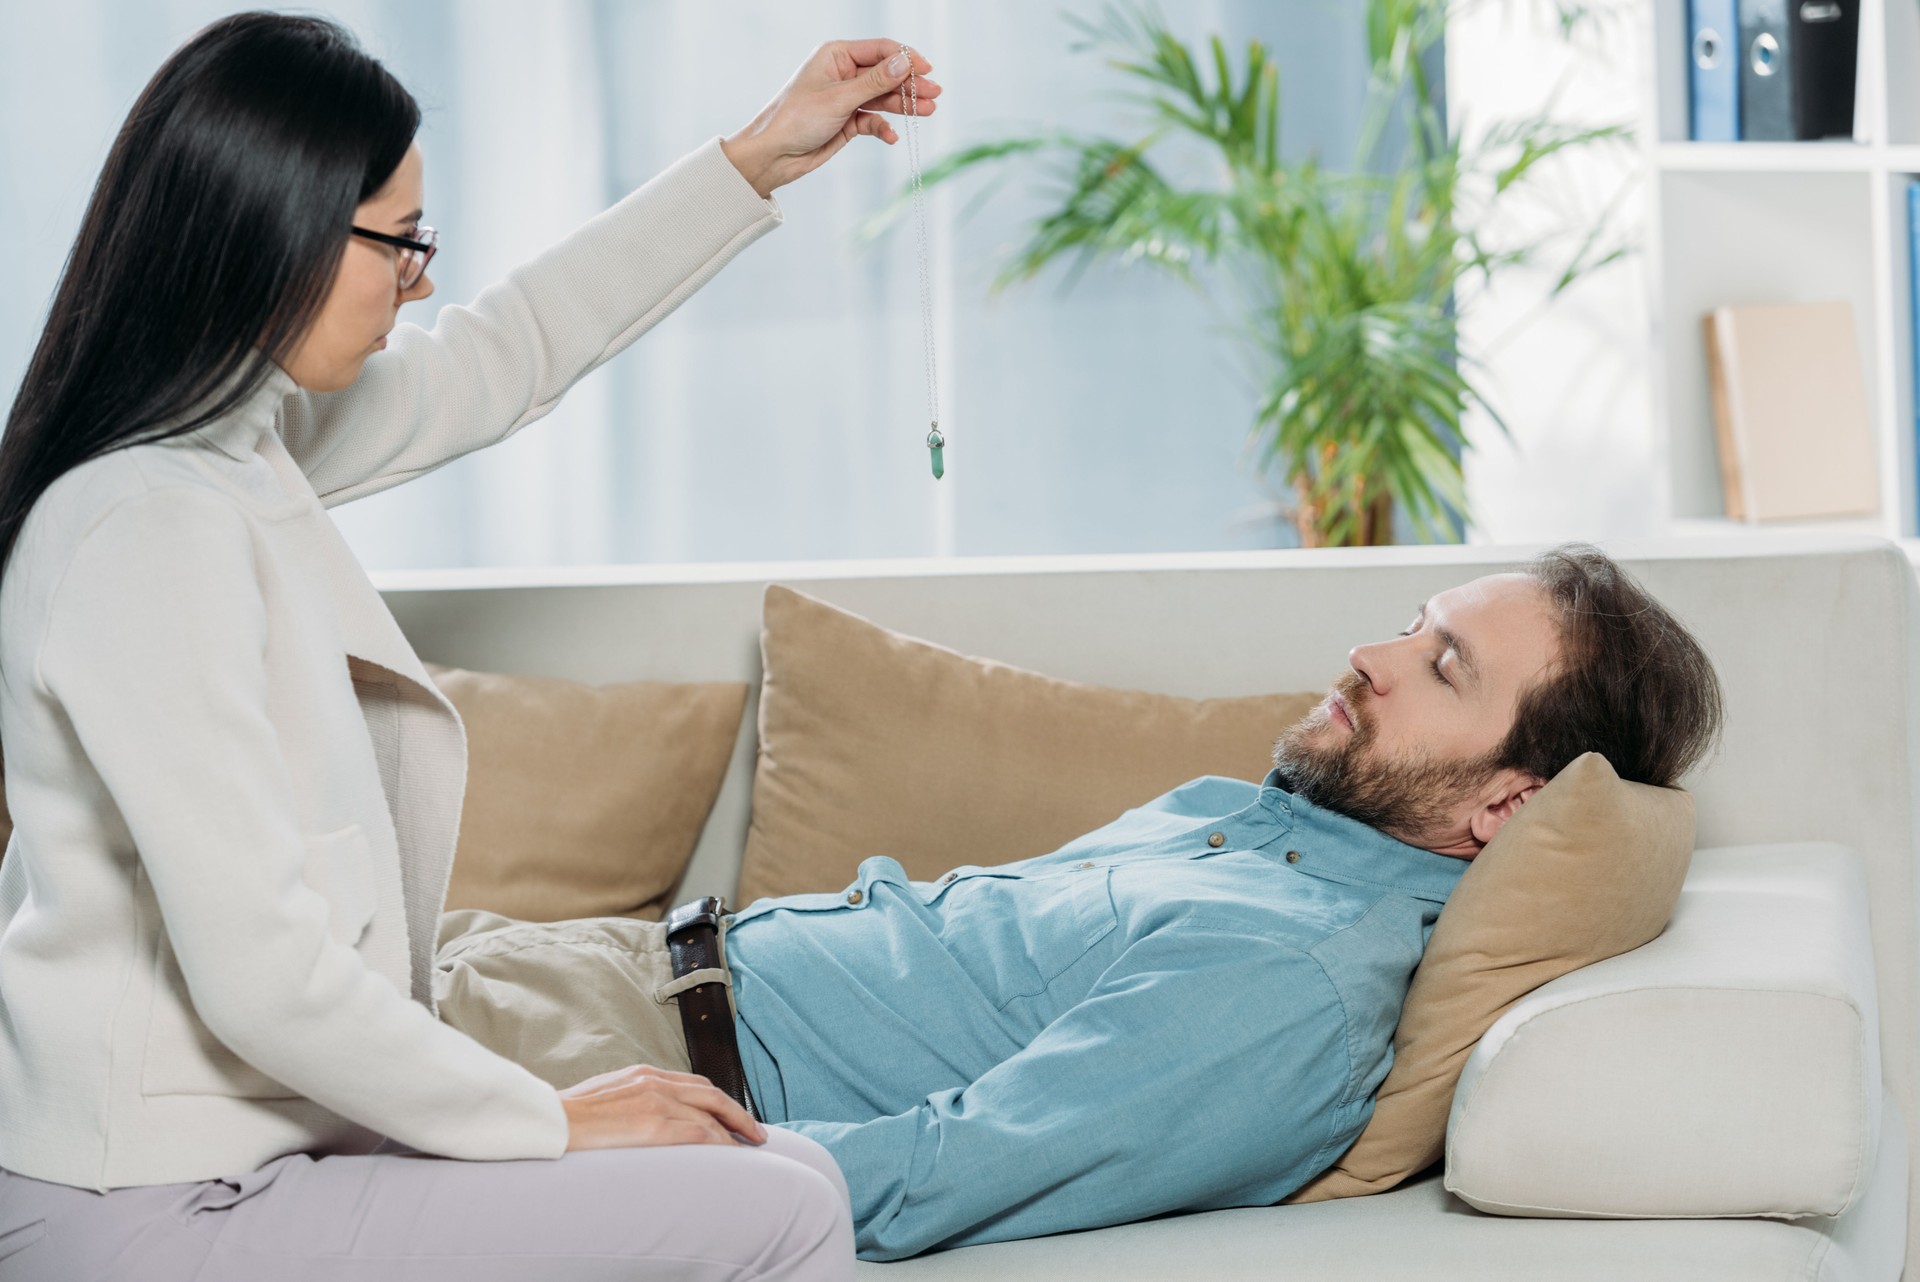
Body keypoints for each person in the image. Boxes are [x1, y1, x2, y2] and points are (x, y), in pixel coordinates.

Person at [0, 11, 942, 1280]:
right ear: (274, 231)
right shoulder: (145, 525)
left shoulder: (232, 446)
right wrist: (548, 1115)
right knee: (776, 1208)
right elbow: (263, 973)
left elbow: (504, 354)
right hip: (153, 1199)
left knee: (796, 1174)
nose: (421, 279)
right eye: (400, 242)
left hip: (245, 1152)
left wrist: (760, 153)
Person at [431, 544, 1726, 1261]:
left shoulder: (1292, 982)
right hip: (585, 970)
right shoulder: (1276, 821)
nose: (1372, 655)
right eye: (1410, 621)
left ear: (1504, 805)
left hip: (619, 1066)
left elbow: (956, 1164)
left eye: (1442, 665)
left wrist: (638, 1159)